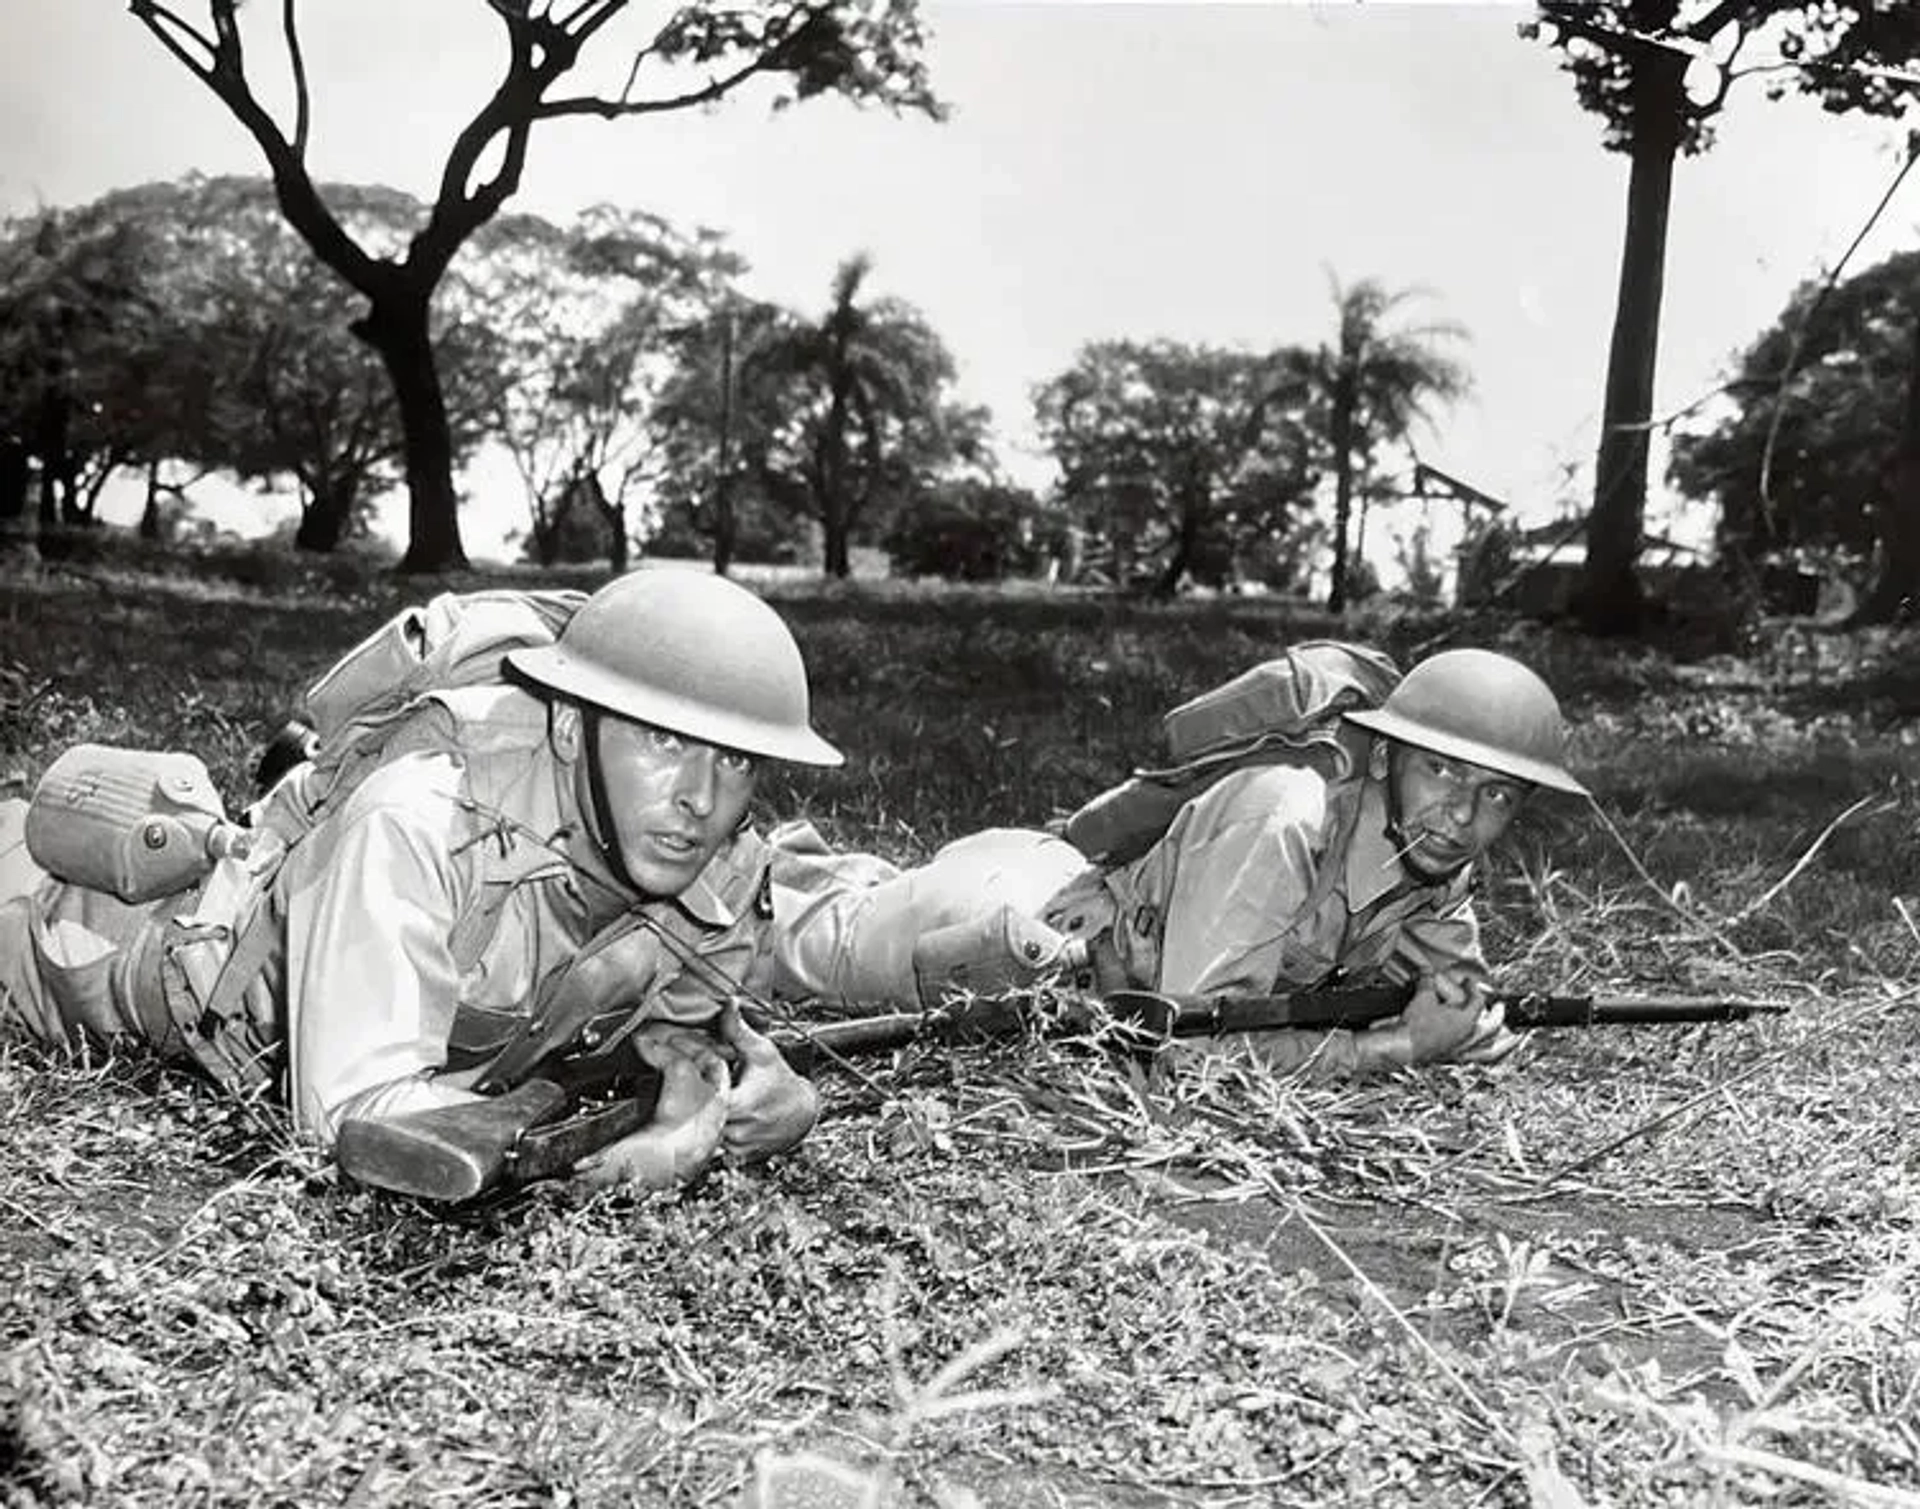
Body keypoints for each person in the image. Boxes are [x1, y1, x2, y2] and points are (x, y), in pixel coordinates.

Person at [0, 571, 839, 1191]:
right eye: (660, 741)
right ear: (574, 727)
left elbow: (681, 1036)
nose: (698, 796)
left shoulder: (720, 864)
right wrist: (636, 1166)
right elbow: (353, 1123)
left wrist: (757, 1098)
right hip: (83, 937)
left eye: (732, 758)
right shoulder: (421, 817)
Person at [769, 647, 1587, 1077]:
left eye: (1498, 795)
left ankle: (841, 875)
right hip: (1021, 918)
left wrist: (1463, 1021)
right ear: (1386, 757)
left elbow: (1468, 1009)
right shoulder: (1286, 814)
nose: (1462, 811)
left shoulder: (1438, 860)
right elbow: (1193, 1054)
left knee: (846, 895)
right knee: (783, 941)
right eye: (1443, 770)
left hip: (1067, 913)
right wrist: (1396, 1049)